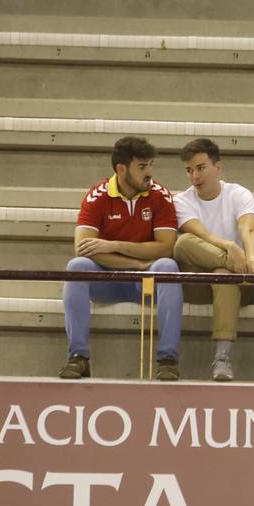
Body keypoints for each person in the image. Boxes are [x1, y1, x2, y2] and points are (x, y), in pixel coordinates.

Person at [58, 136, 181, 381]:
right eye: (142, 167)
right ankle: (78, 357)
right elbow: (82, 248)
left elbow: (166, 248)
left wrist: (114, 245)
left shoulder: (160, 195)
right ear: (121, 169)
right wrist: (136, 263)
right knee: (77, 266)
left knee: (168, 266)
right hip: (109, 278)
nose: (150, 173)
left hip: (145, 280)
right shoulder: (97, 196)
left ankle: (168, 360)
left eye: (151, 165)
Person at [172, 137, 254, 382]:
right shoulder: (180, 201)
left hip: (237, 282)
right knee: (183, 243)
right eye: (189, 170)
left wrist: (250, 256)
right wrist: (230, 247)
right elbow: (201, 235)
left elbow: (249, 231)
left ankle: (222, 357)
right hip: (196, 284)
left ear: (218, 168)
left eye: (200, 168)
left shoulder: (239, 194)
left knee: (224, 275)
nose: (195, 176)